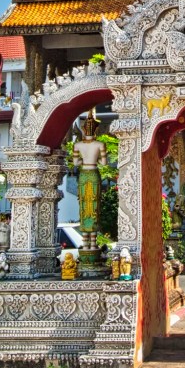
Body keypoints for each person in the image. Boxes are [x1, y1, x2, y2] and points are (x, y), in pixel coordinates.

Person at [73, 111, 107, 263]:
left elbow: (75, 163)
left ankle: (86, 243)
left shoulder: (78, 145)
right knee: (93, 206)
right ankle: (93, 243)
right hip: (94, 174)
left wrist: (83, 162)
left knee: (84, 206)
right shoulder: (100, 144)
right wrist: (96, 162)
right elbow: (104, 164)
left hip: (83, 175)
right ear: (96, 129)